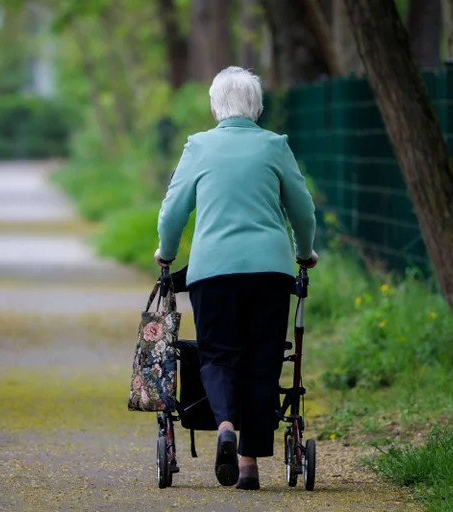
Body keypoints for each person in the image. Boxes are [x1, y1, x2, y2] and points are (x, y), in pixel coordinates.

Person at [154, 66, 318, 490]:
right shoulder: (275, 146)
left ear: (214, 109)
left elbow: (173, 211)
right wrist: (305, 253)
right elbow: (302, 210)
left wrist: (166, 254)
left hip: (213, 271)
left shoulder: (198, 147)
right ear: (259, 109)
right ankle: (249, 465)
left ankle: (224, 425)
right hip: (270, 271)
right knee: (263, 359)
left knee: (218, 355)